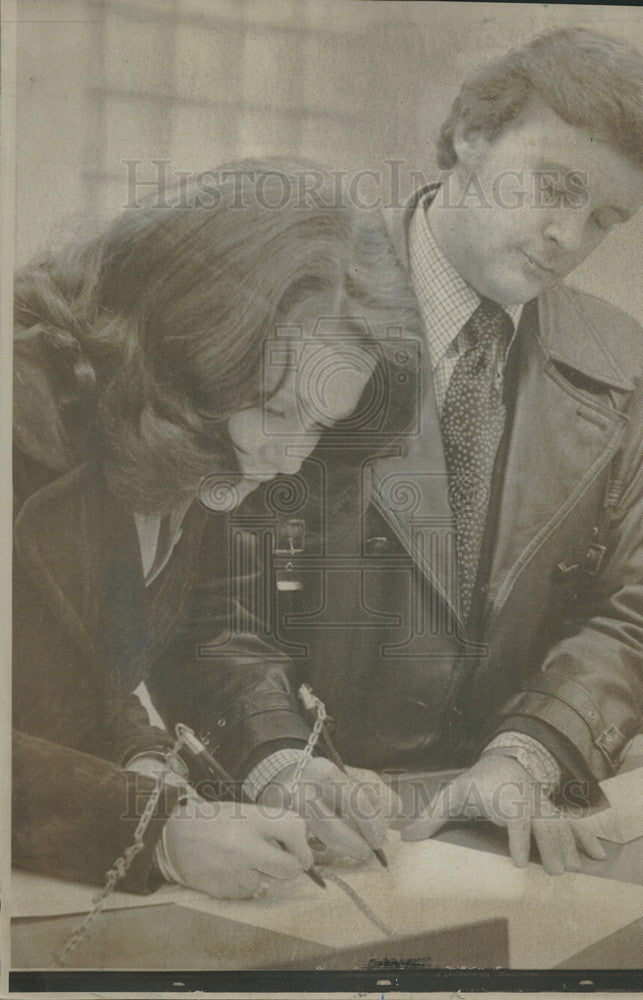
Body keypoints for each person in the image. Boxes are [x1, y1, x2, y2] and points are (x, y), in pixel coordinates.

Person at [242, 29, 643, 875]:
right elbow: (206, 601)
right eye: (555, 186)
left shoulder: (620, 358)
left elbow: (633, 609)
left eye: (603, 218)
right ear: (472, 135)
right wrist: (280, 763)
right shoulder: (298, 295)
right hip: (293, 817)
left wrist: (528, 754)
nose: (568, 236)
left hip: (493, 824)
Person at [12, 160, 419, 897]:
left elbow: (188, 635)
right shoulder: (22, 414)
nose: (289, 455)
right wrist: (152, 829)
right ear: (187, 339)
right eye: (273, 409)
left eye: (318, 426)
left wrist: (284, 766)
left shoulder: (203, 427)